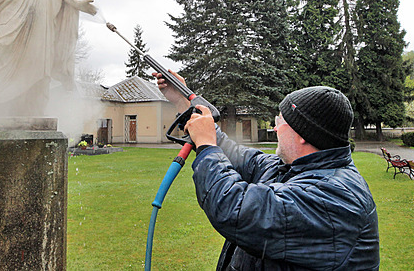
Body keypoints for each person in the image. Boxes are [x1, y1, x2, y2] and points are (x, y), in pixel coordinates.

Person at [155, 71, 380, 270]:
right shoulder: (289, 168)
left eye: (280, 120)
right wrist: (184, 102)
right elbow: (234, 154)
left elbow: (236, 210)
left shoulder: (334, 197)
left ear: (302, 134)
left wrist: (206, 146)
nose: (274, 127)